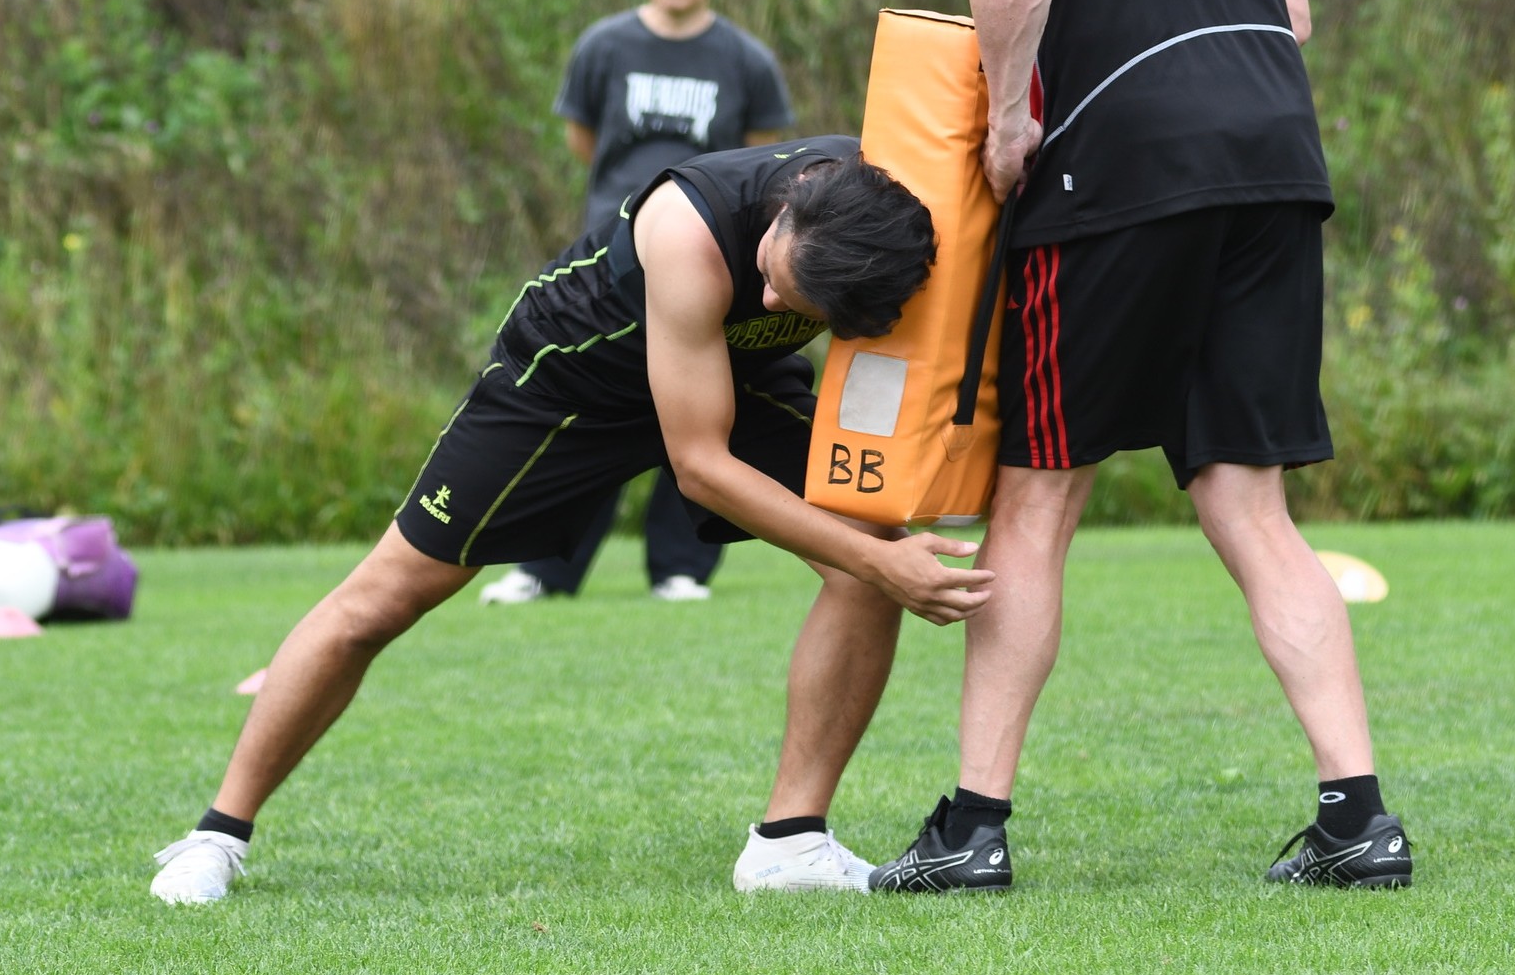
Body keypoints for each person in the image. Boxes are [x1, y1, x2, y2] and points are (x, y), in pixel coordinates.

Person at [869, 0, 1410, 893]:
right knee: (1245, 496)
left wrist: (1011, 115)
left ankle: (973, 825)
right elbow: (1290, 0)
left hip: (1112, 155)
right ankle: (1356, 816)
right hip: (1272, 153)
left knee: (1038, 490)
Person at [150, 138, 991, 904]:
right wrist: (884, 563)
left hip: (731, 373)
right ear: (784, 210)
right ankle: (214, 836)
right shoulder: (689, 228)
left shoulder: (889, 228)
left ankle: (788, 844)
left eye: (795, 301)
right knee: (378, 602)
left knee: (864, 550)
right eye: (771, 273)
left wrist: (881, 550)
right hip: (570, 383)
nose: (769, 295)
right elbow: (700, 466)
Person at [480, 0, 794, 606]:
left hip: (710, 259)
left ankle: (681, 567)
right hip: (614, 259)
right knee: (586, 404)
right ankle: (542, 568)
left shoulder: (746, 60)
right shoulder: (604, 46)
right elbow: (583, 141)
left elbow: (762, 161)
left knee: (702, 408)